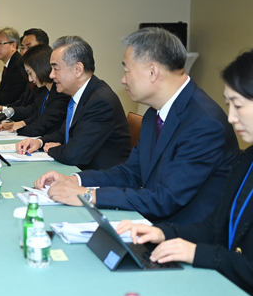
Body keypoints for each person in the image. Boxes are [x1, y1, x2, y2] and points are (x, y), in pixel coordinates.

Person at [36, 28, 239, 224]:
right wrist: (76, 180)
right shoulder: (154, 113)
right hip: (150, 220)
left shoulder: (204, 123)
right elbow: (132, 172)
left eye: (126, 70)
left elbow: (164, 199)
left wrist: (88, 195)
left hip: (183, 237)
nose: (123, 80)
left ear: (152, 72)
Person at [116, 49, 253, 296]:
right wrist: (163, 232)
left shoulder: (206, 123)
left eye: (238, 105)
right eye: (228, 104)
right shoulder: (248, 160)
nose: (231, 118)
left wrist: (197, 253)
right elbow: (215, 227)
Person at [17, 36, 131, 170]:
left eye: (56, 69)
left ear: (78, 69)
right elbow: (64, 133)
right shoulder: (82, 93)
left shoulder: (100, 102)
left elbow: (74, 155)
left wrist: (52, 149)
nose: (51, 75)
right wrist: (39, 142)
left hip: (101, 180)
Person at [0, 44, 70, 137]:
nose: (30, 79)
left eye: (30, 73)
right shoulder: (45, 91)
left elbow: (36, 129)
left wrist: (18, 128)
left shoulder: (60, 95)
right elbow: (36, 116)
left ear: (40, 68)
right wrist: (15, 124)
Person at [0, 28, 49, 113]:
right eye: (22, 48)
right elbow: (20, 103)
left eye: (29, 47)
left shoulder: (19, 67)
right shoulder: (17, 67)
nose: (24, 52)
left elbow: (6, 99)